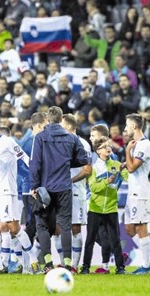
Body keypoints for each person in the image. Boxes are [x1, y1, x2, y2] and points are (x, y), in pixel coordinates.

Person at [30, 106, 91, 271]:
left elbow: (35, 163)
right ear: (61, 118)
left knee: (42, 225)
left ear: (48, 119)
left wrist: (33, 186)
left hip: (45, 188)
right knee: (65, 226)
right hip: (64, 186)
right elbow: (83, 159)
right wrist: (66, 162)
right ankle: (68, 264)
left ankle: (48, 264)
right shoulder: (72, 138)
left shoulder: (41, 137)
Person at [0, 113, 39, 274]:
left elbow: (26, 159)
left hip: (6, 191)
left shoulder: (8, 142)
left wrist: (35, 181)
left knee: (13, 227)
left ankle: (33, 259)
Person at [80, 137, 127, 275]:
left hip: (111, 208)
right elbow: (93, 188)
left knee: (115, 239)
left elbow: (127, 177)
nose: (108, 148)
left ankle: (120, 268)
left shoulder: (117, 164)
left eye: (109, 145)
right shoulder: (94, 167)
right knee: (90, 240)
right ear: (98, 151)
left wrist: (126, 169)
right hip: (95, 209)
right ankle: (86, 267)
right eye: (104, 146)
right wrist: (107, 181)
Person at [123, 113, 150, 274]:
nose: (125, 129)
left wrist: (127, 151)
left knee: (140, 226)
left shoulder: (144, 145)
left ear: (134, 126)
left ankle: (146, 266)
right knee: (129, 229)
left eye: (126, 126)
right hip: (133, 191)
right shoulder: (136, 144)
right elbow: (131, 165)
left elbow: (133, 168)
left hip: (141, 192)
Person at [61, 113, 92, 272]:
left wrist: (71, 181)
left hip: (76, 191)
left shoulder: (83, 144)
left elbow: (87, 170)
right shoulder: (61, 141)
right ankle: (62, 263)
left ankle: (74, 265)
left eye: (61, 124)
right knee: (59, 227)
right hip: (60, 190)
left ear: (68, 126)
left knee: (75, 227)